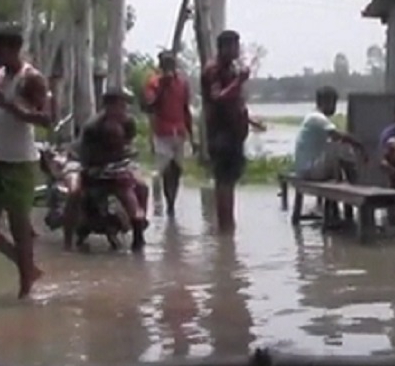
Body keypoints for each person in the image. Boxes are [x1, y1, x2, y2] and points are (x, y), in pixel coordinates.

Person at [0, 24, 51, 299]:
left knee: (20, 227)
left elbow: (46, 119)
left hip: (20, 161)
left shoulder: (31, 79)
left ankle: (25, 291)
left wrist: (9, 106)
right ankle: (29, 268)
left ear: (14, 49)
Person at [201, 30, 263, 232]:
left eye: (238, 46)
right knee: (224, 182)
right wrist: (240, 81)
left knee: (229, 182)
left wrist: (249, 119)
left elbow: (235, 102)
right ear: (223, 48)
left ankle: (227, 231)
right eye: (234, 47)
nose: (237, 51)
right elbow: (218, 98)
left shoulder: (231, 69)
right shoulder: (213, 70)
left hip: (234, 134)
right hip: (221, 135)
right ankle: (225, 231)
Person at [75, 88, 150, 251]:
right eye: (119, 106)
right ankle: (74, 231)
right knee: (77, 193)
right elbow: (85, 155)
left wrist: (125, 157)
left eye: (124, 106)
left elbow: (128, 146)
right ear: (107, 107)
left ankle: (139, 227)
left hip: (120, 168)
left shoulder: (128, 122)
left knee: (142, 187)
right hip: (95, 169)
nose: (123, 110)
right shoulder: (92, 127)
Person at [143, 51, 194, 217]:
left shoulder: (182, 83)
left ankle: (172, 201)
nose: (169, 68)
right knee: (165, 170)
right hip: (162, 132)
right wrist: (162, 88)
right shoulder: (153, 84)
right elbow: (150, 106)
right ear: (160, 66)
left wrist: (192, 136)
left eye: (171, 64)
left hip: (179, 132)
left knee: (177, 169)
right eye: (165, 65)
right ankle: (168, 203)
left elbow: (186, 109)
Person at [292, 86, 365, 181]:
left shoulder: (312, 117)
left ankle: (346, 180)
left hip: (306, 170)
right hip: (309, 171)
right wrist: (360, 146)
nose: (335, 108)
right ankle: (354, 181)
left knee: (335, 145)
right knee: (340, 146)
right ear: (325, 102)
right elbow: (338, 135)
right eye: (333, 104)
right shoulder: (317, 117)